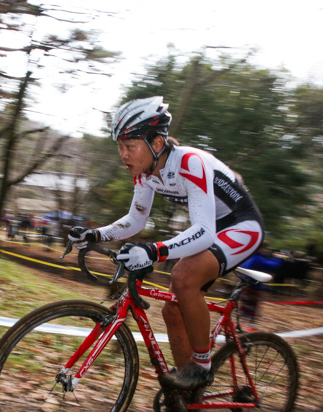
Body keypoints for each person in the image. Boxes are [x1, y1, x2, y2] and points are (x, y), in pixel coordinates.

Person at [68, 96, 264, 391]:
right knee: (172, 309)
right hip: (211, 226)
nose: (123, 154)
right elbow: (135, 220)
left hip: (241, 225)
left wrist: (153, 250)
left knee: (183, 276)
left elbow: (204, 231)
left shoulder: (189, 162)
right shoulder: (145, 173)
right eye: (120, 146)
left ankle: (201, 367)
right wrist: (96, 234)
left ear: (156, 144)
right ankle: (186, 391)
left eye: (129, 146)